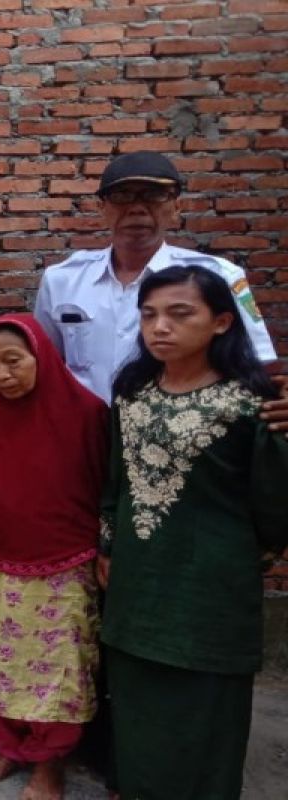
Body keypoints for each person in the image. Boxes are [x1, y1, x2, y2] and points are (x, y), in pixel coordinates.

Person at [99, 266, 288, 799]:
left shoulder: (253, 402)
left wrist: (257, 554)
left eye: (180, 314)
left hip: (213, 578)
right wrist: (108, 543)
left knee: (205, 702)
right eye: (149, 315)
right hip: (138, 575)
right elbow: (115, 478)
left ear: (223, 321)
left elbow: (274, 501)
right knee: (137, 696)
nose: (160, 327)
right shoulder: (132, 392)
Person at [0, 314, 109, 800]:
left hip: (63, 561)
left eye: (13, 361)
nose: (2, 375)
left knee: (55, 667)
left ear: (41, 355)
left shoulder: (88, 413)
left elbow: (110, 489)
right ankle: (9, 747)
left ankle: (50, 763)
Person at [30, 151, 287, 422]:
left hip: (180, 434)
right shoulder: (62, 279)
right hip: (81, 434)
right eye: (122, 195)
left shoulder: (218, 275)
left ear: (176, 207)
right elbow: (43, 365)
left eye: (153, 195)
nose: (137, 208)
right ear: (101, 208)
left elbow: (259, 362)